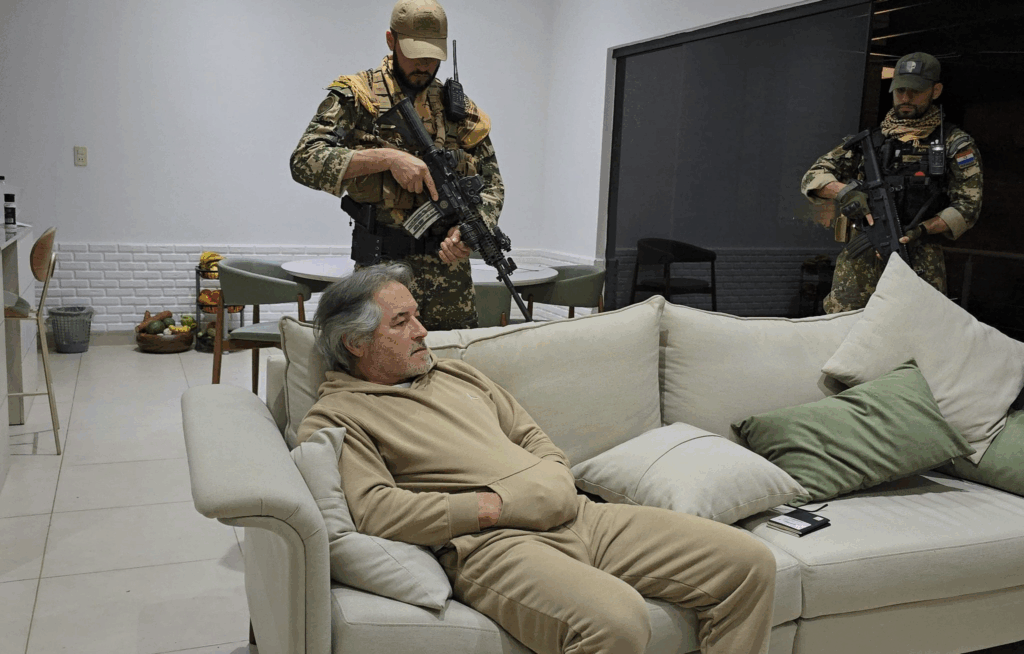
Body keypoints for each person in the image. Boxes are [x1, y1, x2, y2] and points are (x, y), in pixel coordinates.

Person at [297, 262, 777, 654]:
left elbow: (532, 436)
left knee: (748, 562)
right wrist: (494, 507)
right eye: (401, 323)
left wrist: (554, 479)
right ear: (355, 342)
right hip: (493, 547)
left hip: (580, 515)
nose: (423, 331)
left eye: (417, 316)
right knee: (617, 621)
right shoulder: (339, 414)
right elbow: (376, 510)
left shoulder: (456, 374)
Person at [290, 0, 503, 330]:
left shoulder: (458, 109)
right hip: (381, 277)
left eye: (432, 55)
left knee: (452, 360)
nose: (424, 64)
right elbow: (304, 160)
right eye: (415, 53)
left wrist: (470, 231)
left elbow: (492, 183)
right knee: (380, 360)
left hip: (450, 284)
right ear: (391, 41)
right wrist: (386, 159)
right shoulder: (358, 96)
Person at [800, 52, 983, 313]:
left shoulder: (954, 143)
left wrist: (921, 230)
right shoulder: (870, 142)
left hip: (918, 258)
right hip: (861, 259)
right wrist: (845, 192)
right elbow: (814, 175)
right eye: (900, 90)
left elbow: (968, 206)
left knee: (917, 326)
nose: (906, 98)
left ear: (936, 91)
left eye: (915, 91)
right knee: (844, 324)